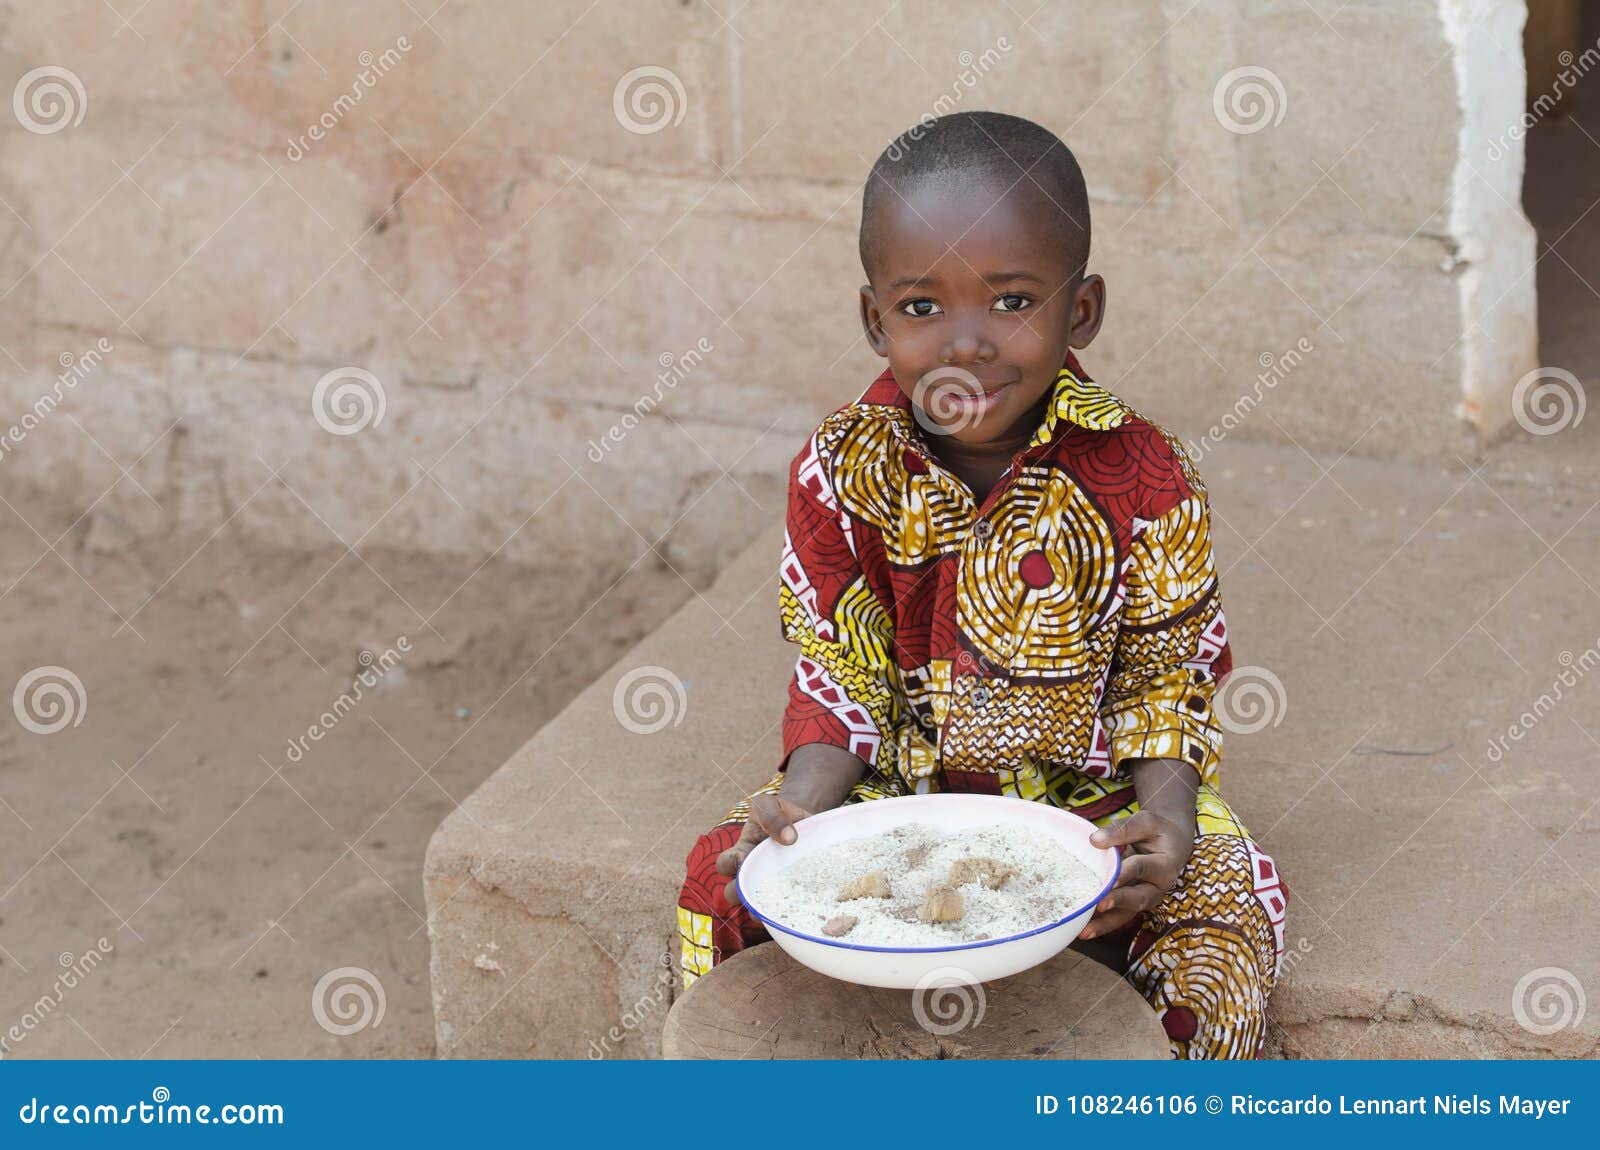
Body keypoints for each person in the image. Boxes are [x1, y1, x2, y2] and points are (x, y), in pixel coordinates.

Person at [674, 111, 1287, 1059]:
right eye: (922, 309)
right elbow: (839, 671)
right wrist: (803, 809)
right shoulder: (838, 470)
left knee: (1220, 935)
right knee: (726, 882)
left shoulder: (1146, 476)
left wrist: (1161, 821)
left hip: (1094, 801)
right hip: (897, 787)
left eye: (1011, 302)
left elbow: (1168, 681)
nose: (967, 344)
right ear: (875, 318)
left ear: (1078, 311)